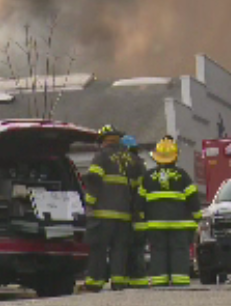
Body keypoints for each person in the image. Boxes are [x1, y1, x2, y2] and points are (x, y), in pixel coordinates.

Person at [81, 125, 143, 292]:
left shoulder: (102, 156)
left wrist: (90, 203)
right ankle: (118, 281)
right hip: (125, 215)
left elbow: (94, 179)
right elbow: (140, 190)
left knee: (99, 248)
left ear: (103, 141)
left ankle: (95, 282)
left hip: (103, 214)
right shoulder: (133, 159)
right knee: (120, 249)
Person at [135, 136, 201, 287]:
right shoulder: (182, 176)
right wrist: (197, 217)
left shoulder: (148, 177)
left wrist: (141, 218)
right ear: (175, 156)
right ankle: (180, 281)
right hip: (179, 226)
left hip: (155, 225)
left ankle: (160, 281)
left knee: (158, 251)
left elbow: (139, 202)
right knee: (179, 251)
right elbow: (193, 199)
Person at [121, 135, 149, 288]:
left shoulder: (121, 164)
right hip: (138, 216)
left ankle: (127, 280)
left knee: (126, 249)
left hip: (126, 215)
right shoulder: (139, 164)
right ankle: (138, 280)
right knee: (137, 249)